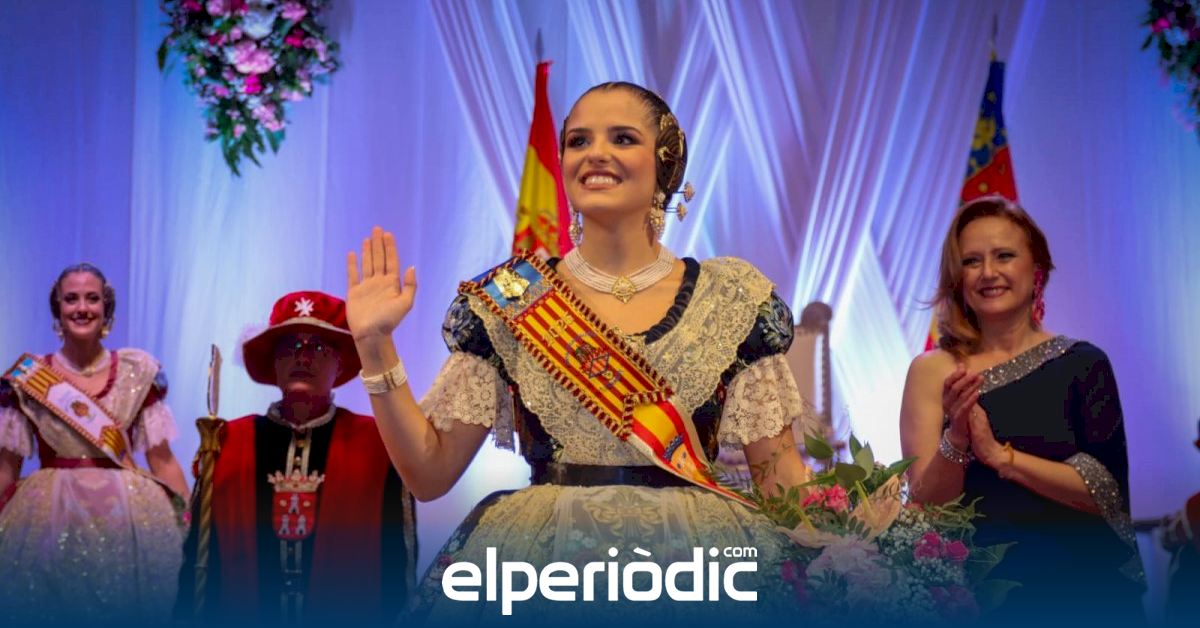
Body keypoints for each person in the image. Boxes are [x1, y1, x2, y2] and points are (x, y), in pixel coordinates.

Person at [345, 82, 813, 621]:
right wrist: (374, 346)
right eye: (578, 141)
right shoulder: (514, 298)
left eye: (622, 138)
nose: (596, 154)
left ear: (665, 163)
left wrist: (856, 547)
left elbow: (781, 484)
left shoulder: (731, 298)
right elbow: (429, 475)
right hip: (545, 568)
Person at [899, 197, 1144, 620]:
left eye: (1004, 256)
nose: (988, 272)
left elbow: (1107, 493)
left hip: (1089, 591)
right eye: (971, 261)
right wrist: (956, 438)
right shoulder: (933, 371)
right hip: (983, 598)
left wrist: (1000, 457)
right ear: (957, 278)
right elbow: (927, 508)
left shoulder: (1083, 364)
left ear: (1037, 270)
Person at [174, 290, 417, 624]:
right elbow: (199, 558)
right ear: (274, 364)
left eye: (318, 348)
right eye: (290, 347)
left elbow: (397, 559)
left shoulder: (377, 443)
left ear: (339, 364)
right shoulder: (227, 442)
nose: (303, 358)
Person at [0, 263, 188, 623]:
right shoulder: (29, 378)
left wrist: (189, 522)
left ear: (106, 307)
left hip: (128, 522)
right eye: (71, 299)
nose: (82, 308)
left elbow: (162, 460)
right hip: (49, 519)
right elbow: (6, 466)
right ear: (58, 308)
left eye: (92, 298)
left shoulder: (137, 372)